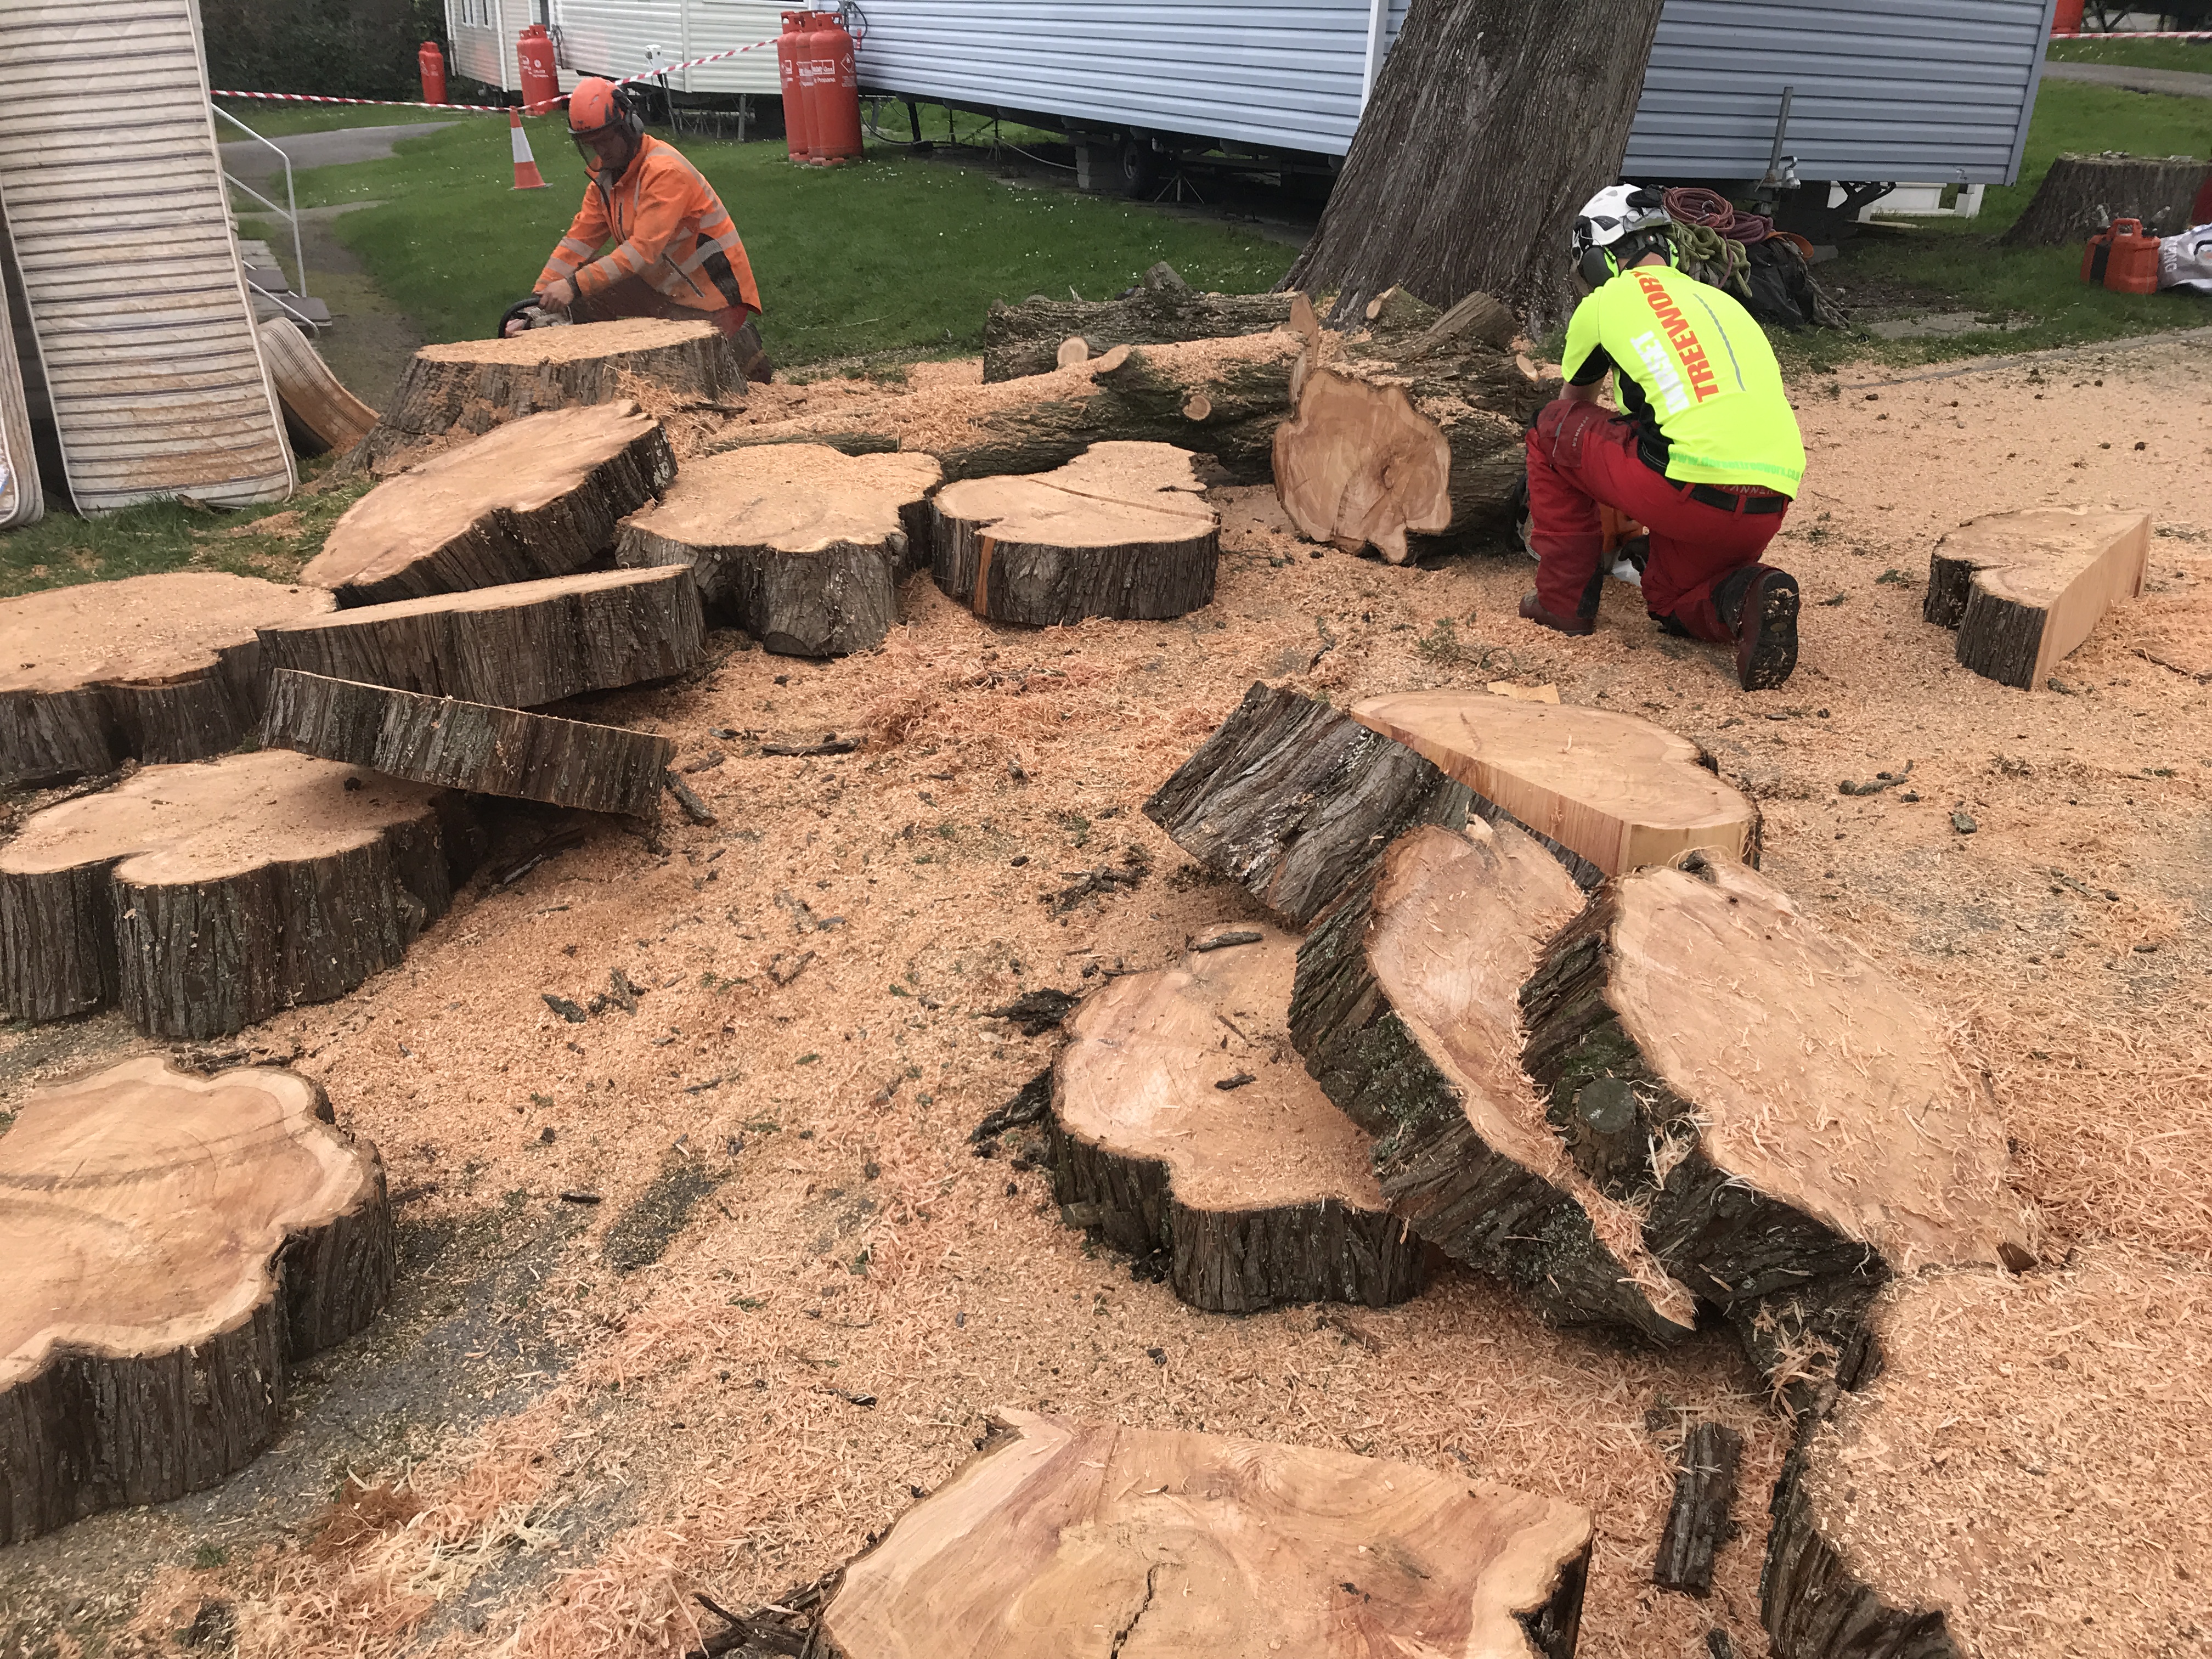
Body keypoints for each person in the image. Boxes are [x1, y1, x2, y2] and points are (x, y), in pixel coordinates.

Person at [1521, 185, 1807, 691]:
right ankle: (1748, 595)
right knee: (1671, 597)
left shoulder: (1607, 301)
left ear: (1598, 257)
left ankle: (1562, 603)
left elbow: (1575, 410)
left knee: (1550, 431)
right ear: (1669, 246)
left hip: (1683, 490)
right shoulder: (1722, 303)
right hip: (1769, 500)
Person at [528, 77, 773, 382]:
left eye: (606, 140)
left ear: (628, 126)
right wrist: (535, 305)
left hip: (715, 301)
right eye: (592, 143)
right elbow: (577, 242)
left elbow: (641, 251)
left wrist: (573, 286)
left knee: (582, 289)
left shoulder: (663, 172)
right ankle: (585, 378)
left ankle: (739, 357)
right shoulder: (608, 181)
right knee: (582, 289)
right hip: (667, 294)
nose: (602, 151)